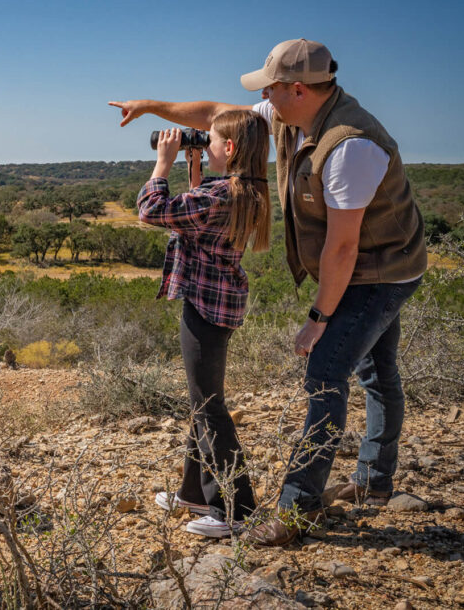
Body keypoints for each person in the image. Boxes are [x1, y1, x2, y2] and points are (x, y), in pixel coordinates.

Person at [110, 38, 427, 546]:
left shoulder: (351, 147)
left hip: (383, 270)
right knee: (376, 368)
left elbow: (343, 250)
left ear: (297, 89)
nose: (262, 101)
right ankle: (373, 482)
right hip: (352, 264)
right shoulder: (288, 115)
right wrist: (149, 105)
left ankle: (295, 510)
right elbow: (217, 113)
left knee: (326, 374)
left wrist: (318, 316)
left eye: (270, 89)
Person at [137, 110, 271, 538]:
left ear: (229, 149)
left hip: (206, 308)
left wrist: (163, 161)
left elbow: (152, 210)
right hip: (218, 303)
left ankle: (237, 508)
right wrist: (194, 167)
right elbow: (202, 219)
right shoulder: (242, 191)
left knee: (209, 407)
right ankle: (194, 492)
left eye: (208, 141)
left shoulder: (219, 198)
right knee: (202, 402)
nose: (203, 144)